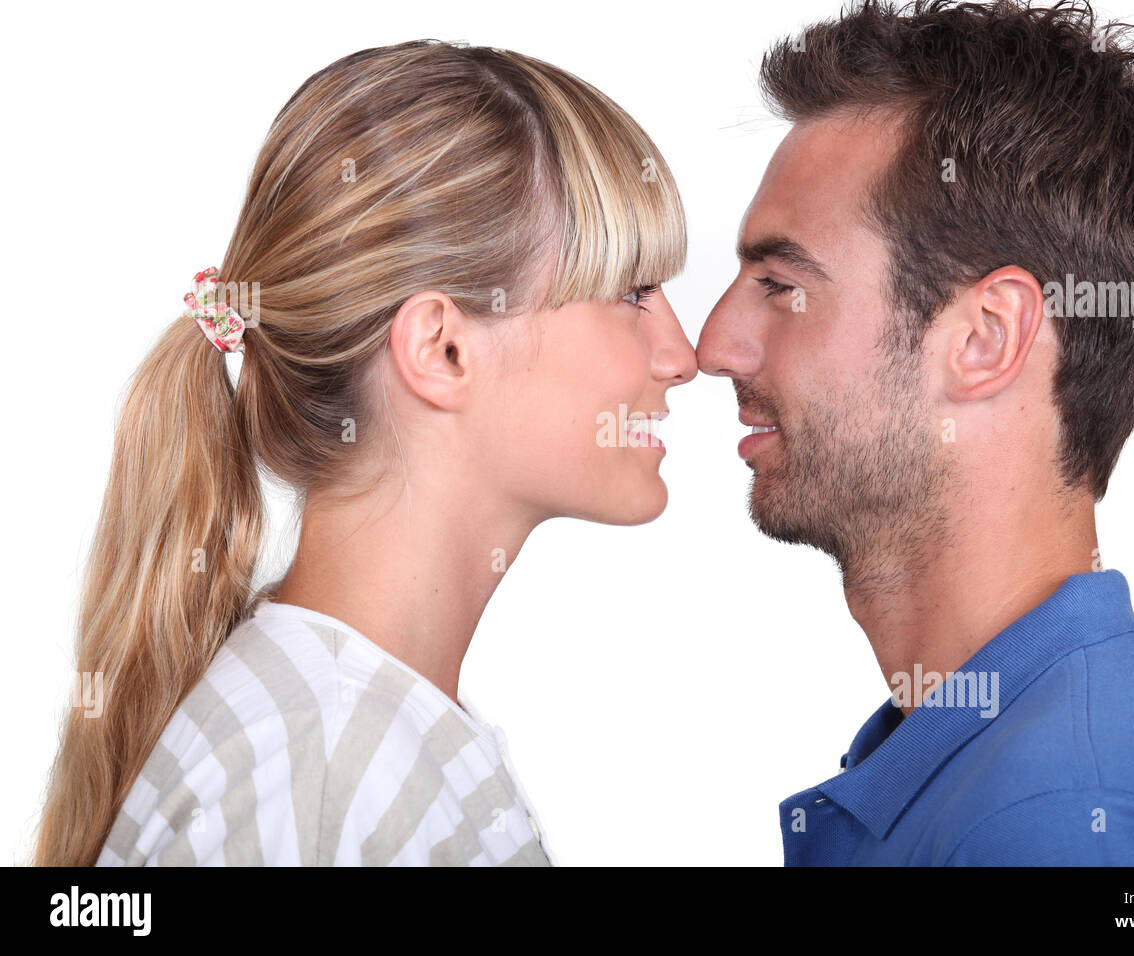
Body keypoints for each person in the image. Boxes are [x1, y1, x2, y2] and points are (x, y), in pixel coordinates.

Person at [34, 40, 696, 866]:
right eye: (633, 292)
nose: (683, 354)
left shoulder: (352, 739)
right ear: (442, 349)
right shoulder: (327, 777)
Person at [697, 0, 1134, 865]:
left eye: (783, 285)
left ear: (985, 338)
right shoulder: (1001, 762)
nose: (713, 345)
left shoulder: (1070, 819)